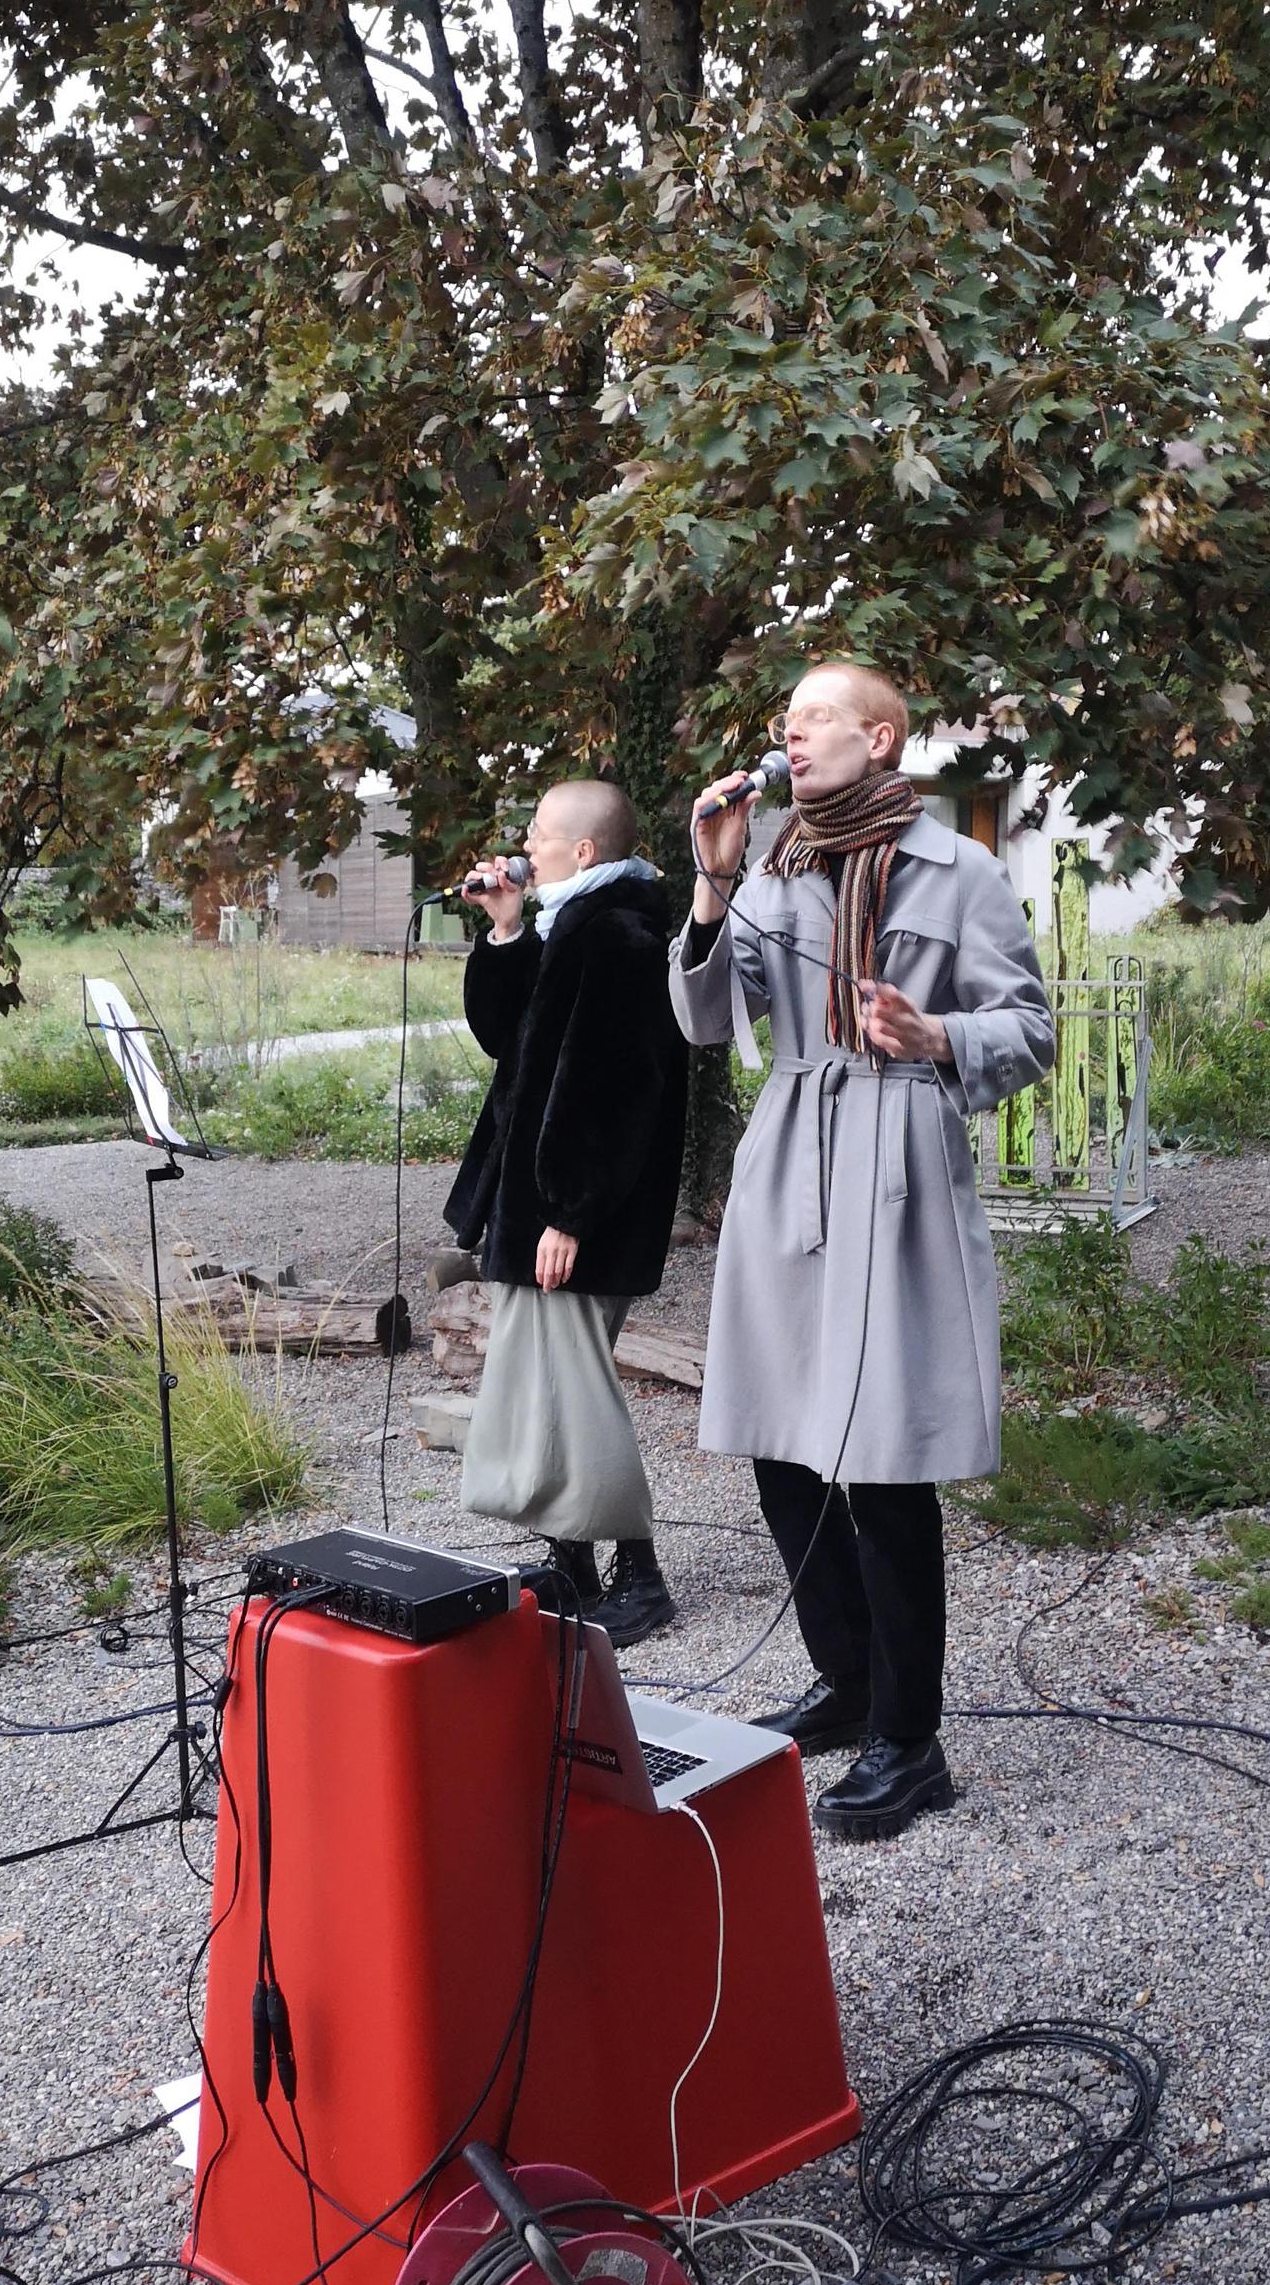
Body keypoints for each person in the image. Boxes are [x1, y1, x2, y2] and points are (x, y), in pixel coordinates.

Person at [671, 666, 1054, 1840]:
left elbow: (1031, 1026)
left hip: (896, 1146)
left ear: (878, 738)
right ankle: (846, 1682)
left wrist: (938, 1031)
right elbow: (701, 1019)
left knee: (883, 1455)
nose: (790, 724)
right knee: (778, 1440)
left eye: (817, 710)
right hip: (791, 1144)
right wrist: (712, 876)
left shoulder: (961, 868)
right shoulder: (772, 861)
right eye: (787, 713)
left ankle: (910, 1736)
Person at [445, 780, 690, 1644]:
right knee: (546, 1389)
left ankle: (642, 1575)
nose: (524, 844)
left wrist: (571, 1213)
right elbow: (507, 1038)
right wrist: (506, 928)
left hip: (578, 1210)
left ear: (583, 850)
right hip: (541, 1206)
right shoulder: (567, 924)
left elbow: (615, 1088)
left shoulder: (618, 934)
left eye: (539, 833)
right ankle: (573, 1567)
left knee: (577, 1392)